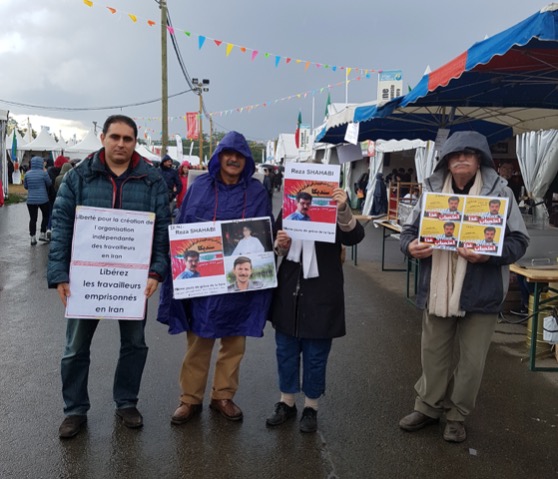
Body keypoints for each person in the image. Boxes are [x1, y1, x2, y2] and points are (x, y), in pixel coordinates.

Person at [398, 131, 529, 443]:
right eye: (454, 155)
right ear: (446, 162)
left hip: (482, 291)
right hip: (438, 289)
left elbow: (519, 241)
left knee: (472, 361)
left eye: (468, 154)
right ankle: (428, 407)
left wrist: (489, 254)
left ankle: (457, 415)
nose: (461, 159)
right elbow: (408, 232)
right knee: (433, 353)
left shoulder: (501, 194)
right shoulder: (432, 192)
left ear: (480, 160)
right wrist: (411, 246)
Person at [47, 115, 171, 439]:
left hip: (132, 283)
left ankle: (126, 402)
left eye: (127, 139)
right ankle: (75, 410)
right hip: (85, 281)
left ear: (135, 142)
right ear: (103, 137)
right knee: (75, 348)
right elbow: (61, 224)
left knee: (135, 344)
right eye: (115, 137)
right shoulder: (78, 176)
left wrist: (157, 271)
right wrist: (60, 274)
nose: (120, 144)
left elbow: (163, 230)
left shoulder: (152, 180)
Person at [157, 131, 272, 425]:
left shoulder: (257, 192)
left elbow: (265, 235)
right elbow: (183, 225)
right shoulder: (200, 187)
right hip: (203, 281)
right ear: (219, 156)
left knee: (234, 341)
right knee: (199, 339)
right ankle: (190, 398)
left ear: (247, 160)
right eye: (228, 154)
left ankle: (223, 395)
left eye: (239, 155)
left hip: (240, 280)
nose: (233, 159)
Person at [265, 187, 365, 433]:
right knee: (286, 351)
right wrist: (280, 245)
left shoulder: (333, 209)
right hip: (289, 289)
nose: (305, 203)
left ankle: (311, 406)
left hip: (323, 290)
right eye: (302, 199)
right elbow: (274, 244)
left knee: (316, 354)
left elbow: (354, 237)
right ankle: (286, 402)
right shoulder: (288, 209)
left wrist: (343, 209)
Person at [23, 156, 52, 245]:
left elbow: (25, 186)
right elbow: (49, 183)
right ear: (40, 163)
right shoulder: (44, 173)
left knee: (33, 219)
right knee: (46, 215)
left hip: (31, 200)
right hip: (43, 199)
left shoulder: (27, 174)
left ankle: (32, 238)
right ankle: (42, 233)